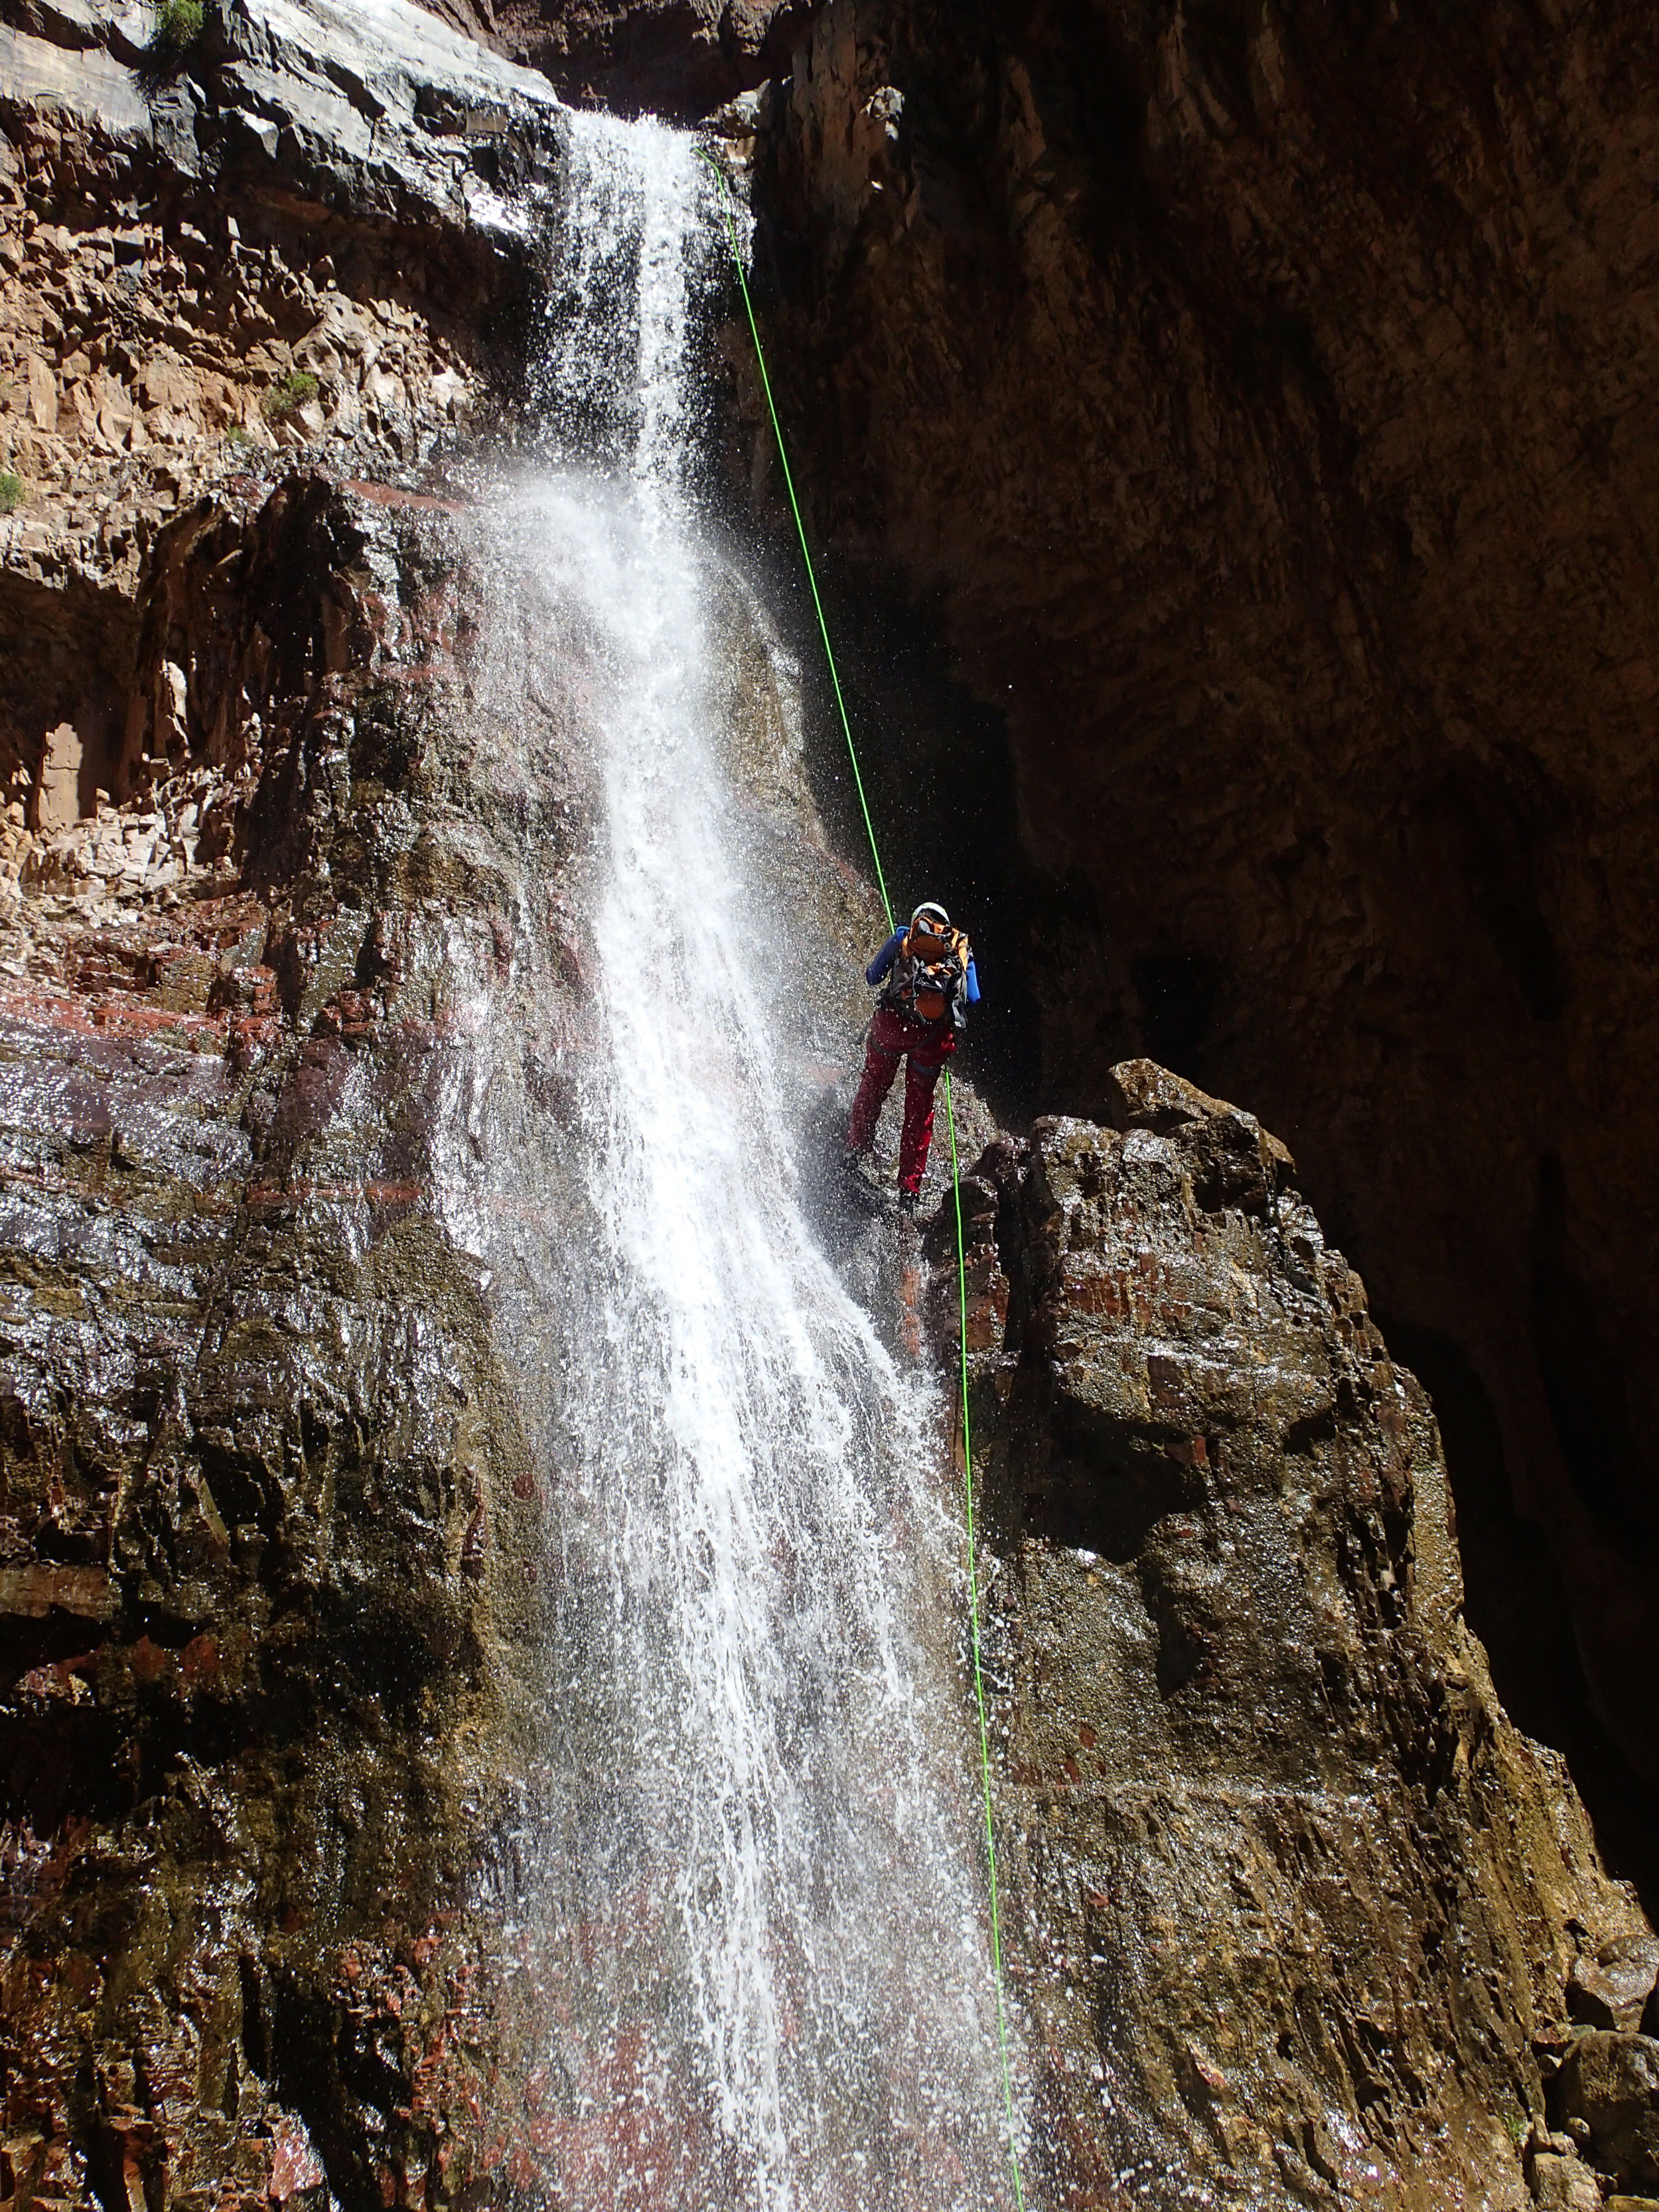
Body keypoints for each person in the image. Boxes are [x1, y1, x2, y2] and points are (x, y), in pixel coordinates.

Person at [845, 901, 979, 1213]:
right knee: (919, 1109)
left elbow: (871, 976)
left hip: (892, 1026)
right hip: (932, 1040)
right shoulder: (960, 951)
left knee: (874, 1085)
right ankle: (909, 1190)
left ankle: (854, 1151)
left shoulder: (904, 937)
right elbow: (973, 998)